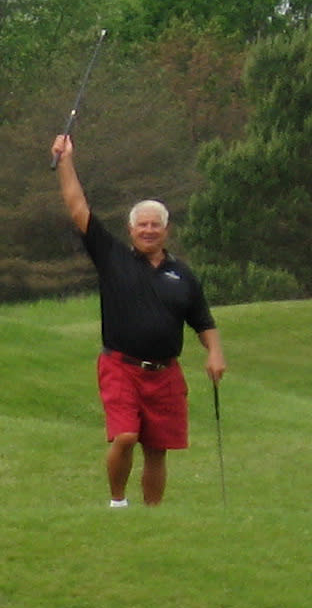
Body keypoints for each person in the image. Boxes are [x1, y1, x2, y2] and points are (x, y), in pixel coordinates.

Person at [50, 131, 225, 508]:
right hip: (121, 366)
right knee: (126, 436)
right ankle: (117, 502)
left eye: (155, 225)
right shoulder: (113, 258)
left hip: (165, 373)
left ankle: (152, 517)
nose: (148, 230)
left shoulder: (184, 275)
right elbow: (77, 205)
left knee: (158, 450)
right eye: (141, 225)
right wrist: (65, 161)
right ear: (131, 230)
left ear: (166, 230)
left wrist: (215, 353)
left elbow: (203, 321)